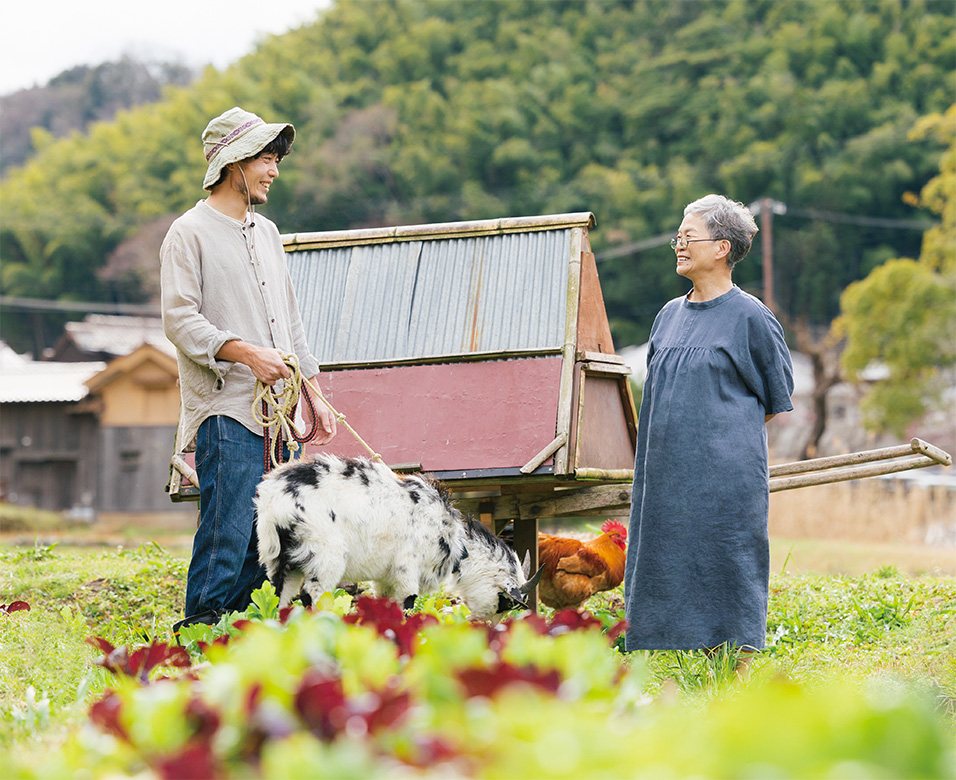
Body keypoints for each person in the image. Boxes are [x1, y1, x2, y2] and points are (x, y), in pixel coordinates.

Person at [161, 106, 337, 634]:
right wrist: (243, 351)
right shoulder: (188, 233)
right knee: (228, 530)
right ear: (233, 163)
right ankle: (197, 633)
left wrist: (314, 391)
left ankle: (238, 635)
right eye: (265, 157)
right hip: (227, 409)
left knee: (274, 532)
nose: (274, 169)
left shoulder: (268, 232)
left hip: (279, 415)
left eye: (276, 157)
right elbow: (179, 318)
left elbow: (291, 322)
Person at [623, 194, 793, 658]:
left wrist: (717, 436)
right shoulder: (667, 317)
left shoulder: (750, 317)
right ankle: (665, 656)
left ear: (721, 247)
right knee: (664, 560)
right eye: (677, 236)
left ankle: (734, 669)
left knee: (729, 563)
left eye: (688, 236)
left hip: (726, 479)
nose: (678, 244)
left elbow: (775, 399)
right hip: (664, 476)